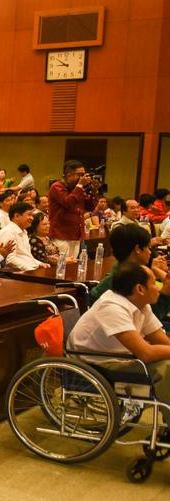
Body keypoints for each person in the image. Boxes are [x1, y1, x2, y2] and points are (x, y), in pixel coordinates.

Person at [69, 262, 170, 398]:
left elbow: (163, 342)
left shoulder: (142, 305)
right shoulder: (112, 307)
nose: (158, 288)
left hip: (120, 357)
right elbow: (146, 353)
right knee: (165, 367)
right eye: (153, 283)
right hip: (96, 364)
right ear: (140, 289)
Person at [87, 223, 170, 330]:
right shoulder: (122, 282)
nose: (150, 252)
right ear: (138, 249)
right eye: (148, 248)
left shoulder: (128, 272)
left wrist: (155, 271)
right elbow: (148, 322)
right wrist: (165, 293)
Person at [47, 159, 92, 258]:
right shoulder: (57, 187)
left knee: (72, 266)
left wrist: (94, 190)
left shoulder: (78, 189)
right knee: (62, 266)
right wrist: (80, 185)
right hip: (61, 234)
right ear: (68, 175)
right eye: (80, 175)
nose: (83, 178)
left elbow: (90, 206)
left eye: (84, 174)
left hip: (76, 234)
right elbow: (68, 202)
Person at [0, 202, 46, 271]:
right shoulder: (8, 232)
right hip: (14, 273)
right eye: (29, 214)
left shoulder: (24, 232)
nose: (32, 218)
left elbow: (27, 257)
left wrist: (39, 263)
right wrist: (30, 269)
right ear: (17, 216)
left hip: (28, 269)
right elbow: (10, 259)